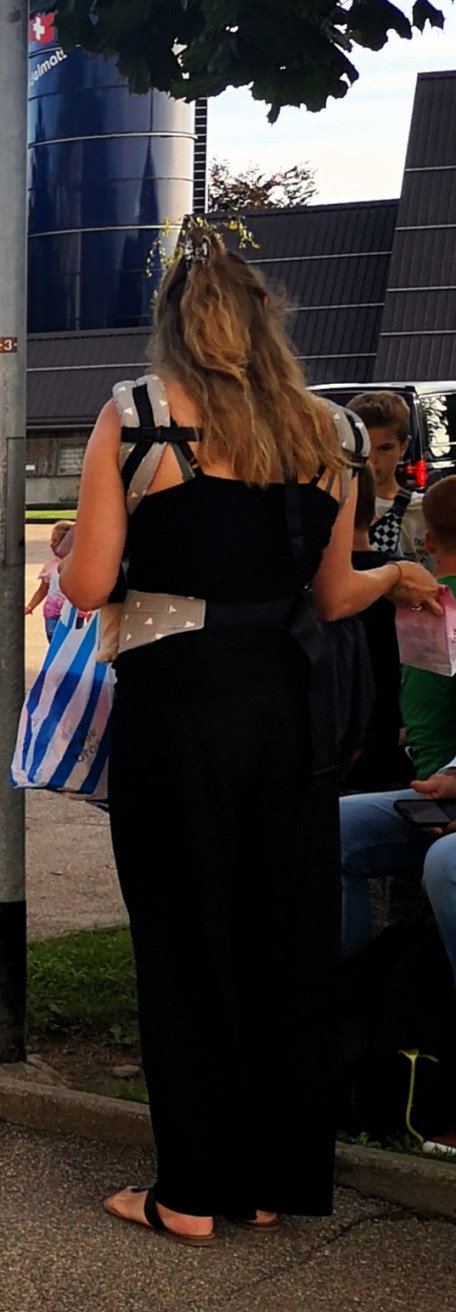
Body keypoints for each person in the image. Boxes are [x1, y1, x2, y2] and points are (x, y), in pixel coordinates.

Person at [64, 227, 440, 1244]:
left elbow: (89, 587)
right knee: (284, 930)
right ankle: (274, 1180)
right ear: (269, 320)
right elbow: (333, 592)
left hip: (178, 701)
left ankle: (191, 1190)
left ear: (173, 325)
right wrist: (394, 576)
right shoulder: (335, 434)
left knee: (185, 934)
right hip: (289, 701)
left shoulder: (138, 415)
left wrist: (80, 550)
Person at [342, 474, 456, 997]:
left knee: (445, 863)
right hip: (439, 787)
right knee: (330, 827)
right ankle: (349, 1008)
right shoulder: (429, 603)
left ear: (427, 542)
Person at [346, 466, 415, 792]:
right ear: (374, 513)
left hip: (327, 752)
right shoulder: (409, 583)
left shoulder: (302, 587)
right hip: (390, 748)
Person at [348, 391, 425, 562]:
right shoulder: (331, 507)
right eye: (365, 447)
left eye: (384, 449)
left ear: (403, 446)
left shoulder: (421, 512)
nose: (372, 459)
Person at [24, 519, 75, 645]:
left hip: (74, 611)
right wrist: (30, 606)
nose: (52, 545)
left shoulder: (78, 565)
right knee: (53, 638)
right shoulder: (50, 565)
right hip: (53, 610)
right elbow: (42, 590)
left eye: (56, 541)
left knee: (72, 641)